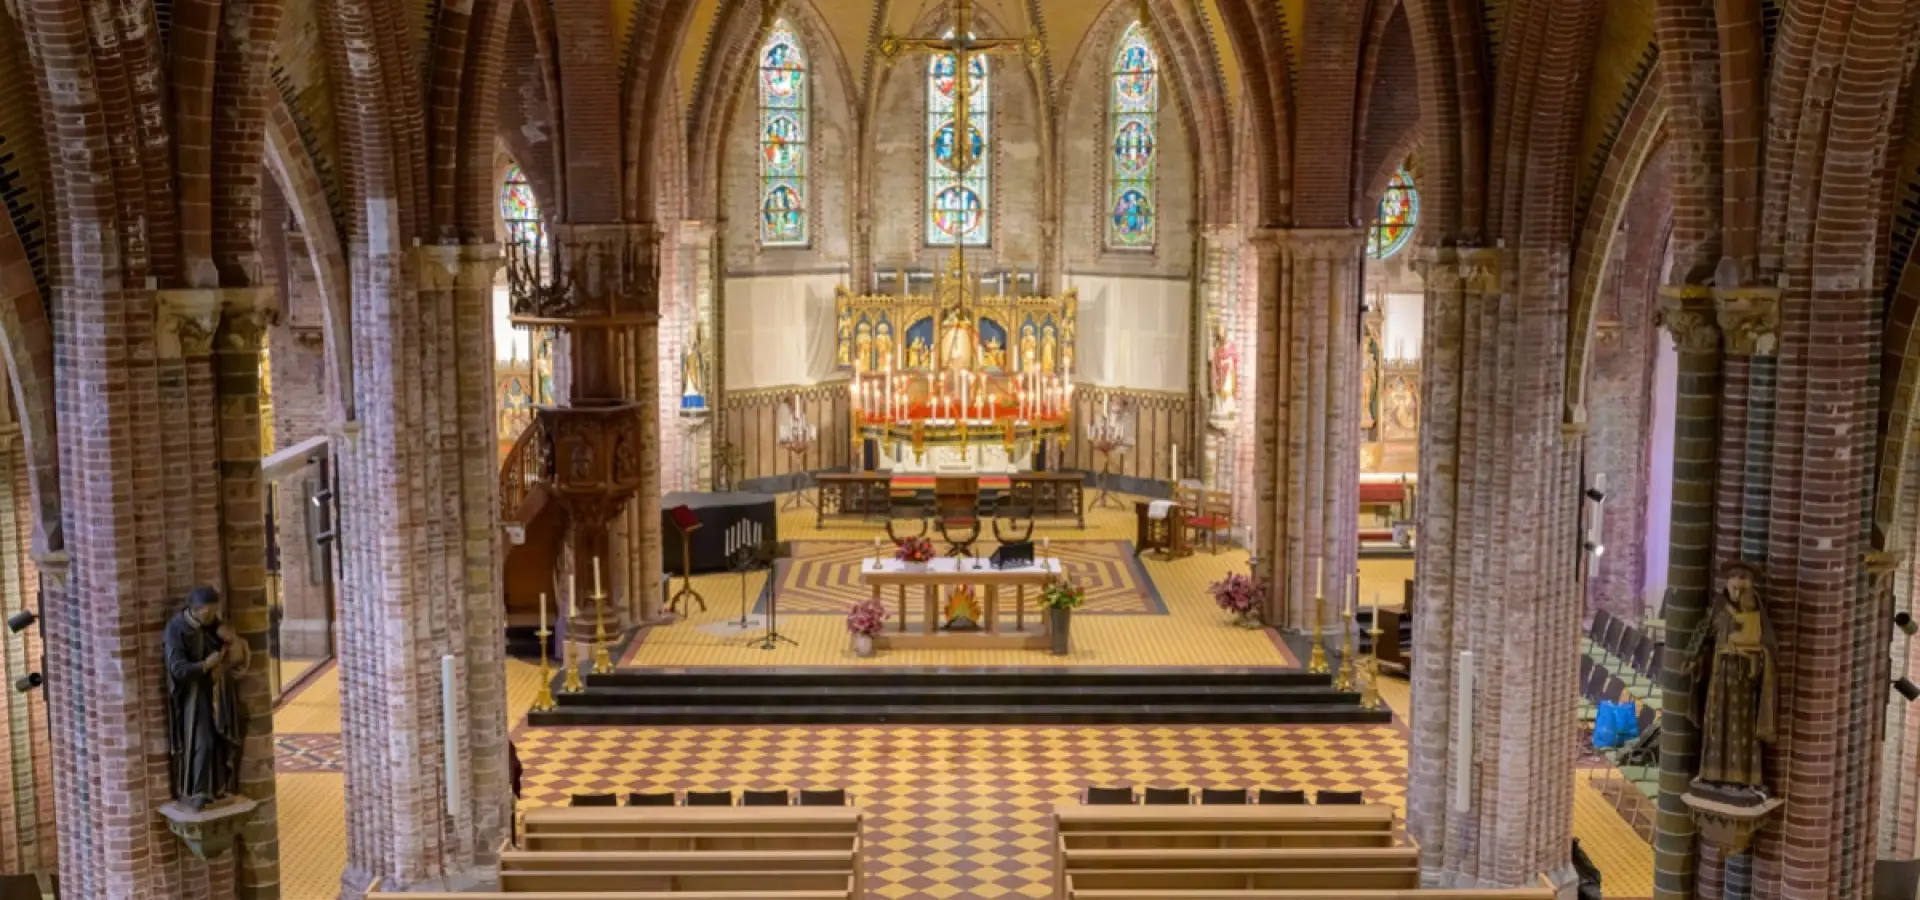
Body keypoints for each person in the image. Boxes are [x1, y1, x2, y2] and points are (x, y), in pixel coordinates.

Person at [1684, 560, 1778, 796]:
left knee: (1742, 728)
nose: (1737, 593)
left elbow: (1768, 645)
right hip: (1719, 675)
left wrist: (1758, 658)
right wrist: (1693, 657)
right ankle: (1712, 773)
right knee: (1716, 724)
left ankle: (1745, 777)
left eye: (1742, 588)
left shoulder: (1757, 612)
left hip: (1744, 679)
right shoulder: (1718, 606)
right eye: (1734, 588)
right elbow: (1703, 632)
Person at [164, 586, 247, 810]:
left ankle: (219, 787)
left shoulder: (212, 623)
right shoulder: (177, 628)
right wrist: (204, 665)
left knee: (222, 738)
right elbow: (177, 669)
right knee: (203, 742)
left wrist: (235, 654)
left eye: (213, 611)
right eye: (206, 612)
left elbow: (229, 643)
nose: (210, 616)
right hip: (193, 695)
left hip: (218, 690)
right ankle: (198, 790)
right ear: (195, 609)